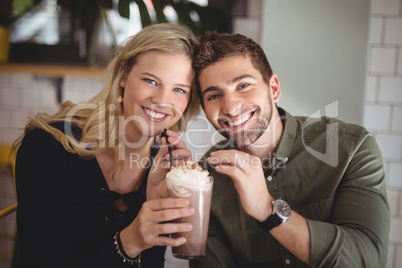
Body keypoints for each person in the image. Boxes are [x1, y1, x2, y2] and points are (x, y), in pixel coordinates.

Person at [190, 31, 390, 267]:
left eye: (243, 85)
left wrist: (267, 209)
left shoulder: (351, 147)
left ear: (273, 88)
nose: (231, 108)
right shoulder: (205, 177)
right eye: (214, 95)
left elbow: (368, 260)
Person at [11, 23, 200, 268]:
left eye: (179, 89)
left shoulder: (165, 167)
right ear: (123, 75)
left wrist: (155, 203)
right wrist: (131, 239)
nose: (163, 100)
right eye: (151, 81)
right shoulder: (47, 148)